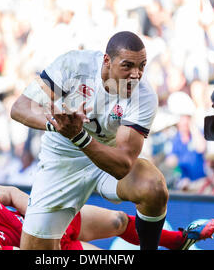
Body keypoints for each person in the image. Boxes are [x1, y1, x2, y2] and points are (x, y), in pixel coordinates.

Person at [10, 31, 169, 250]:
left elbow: (122, 165)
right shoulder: (74, 65)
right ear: (107, 61)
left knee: (153, 186)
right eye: (127, 66)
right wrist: (58, 124)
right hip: (61, 159)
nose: (136, 74)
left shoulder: (144, 96)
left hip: (107, 160)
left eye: (142, 66)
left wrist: (79, 136)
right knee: (36, 251)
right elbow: (20, 108)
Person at [0, 181, 214, 250]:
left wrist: (41, 219)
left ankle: (178, 241)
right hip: (49, 249)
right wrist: (42, 237)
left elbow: (13, 193)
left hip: (48, 219)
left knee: (118, 221)